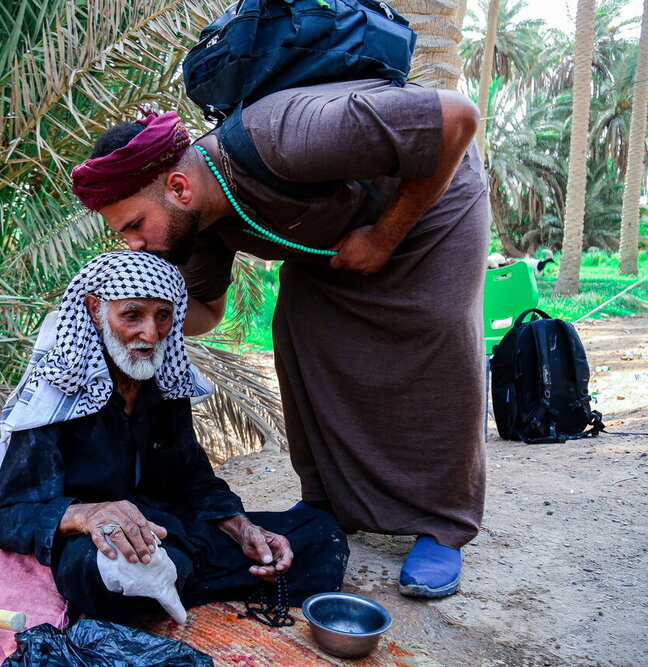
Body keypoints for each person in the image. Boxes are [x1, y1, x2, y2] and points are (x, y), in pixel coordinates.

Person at [69, 80, 488, 598]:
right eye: (122, 236)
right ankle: (330, 499)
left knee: (436, 334)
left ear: (179, 188)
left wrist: (383, 238)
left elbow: (457, 118)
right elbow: (204, 314)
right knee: (300, 337)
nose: (134, 243)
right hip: (328, 243)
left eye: (134, 225)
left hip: (427, 204)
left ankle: (443, 525)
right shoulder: (190, 225)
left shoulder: (284, 134)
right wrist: (126, 311)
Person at [0, 251, 349, 619]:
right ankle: (175, 581)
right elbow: (7, 516)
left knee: (320, 532)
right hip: (105, 545)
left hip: (175, 530)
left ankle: (175, 581)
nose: (150, 334)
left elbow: (194, 479)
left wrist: (241, 528)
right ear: (95, 310)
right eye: (132, 315)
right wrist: (87, 514)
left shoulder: (165, 384)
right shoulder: (56, 396)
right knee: (107, 573)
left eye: (163, 316)